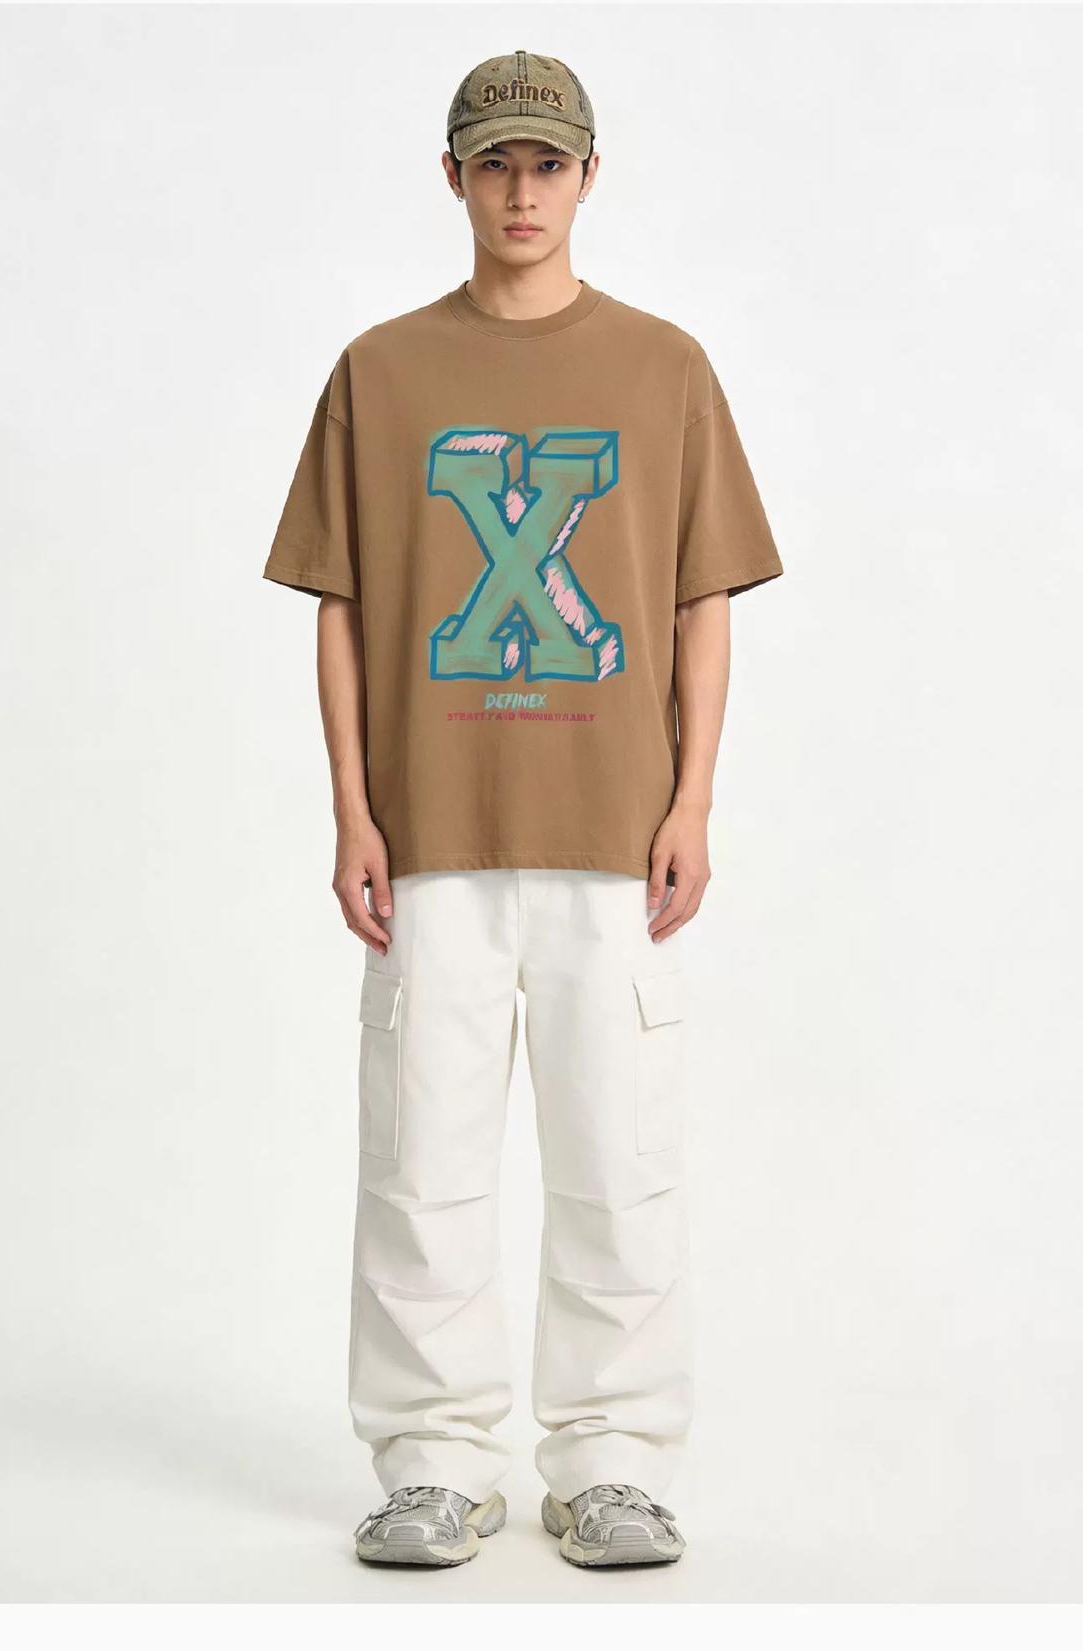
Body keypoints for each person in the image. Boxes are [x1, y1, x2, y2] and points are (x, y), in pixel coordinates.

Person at [262, 48, 783, 1571]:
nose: (520, 191)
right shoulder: (380, 373)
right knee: (420, 1167)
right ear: (453, 176)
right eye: (493, 162)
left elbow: (700, 600)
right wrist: (354, 810)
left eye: (547, 163)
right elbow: (342, 605)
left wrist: (693, 798)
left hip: (612, 836)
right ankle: (433, 1462)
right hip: (431, 833)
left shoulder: (664, 369)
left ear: (589, 176)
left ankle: (610, 1461)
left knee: (620, 1161)